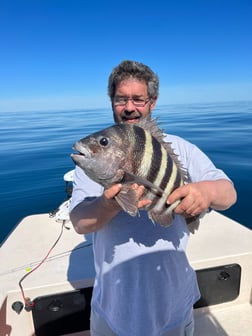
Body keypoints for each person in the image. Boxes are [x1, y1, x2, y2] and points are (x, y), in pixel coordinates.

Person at [69, 60, 237, 336]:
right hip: (112, 309)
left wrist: (205, 193)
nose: (129, 107)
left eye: (138, 99)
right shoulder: (95, 162)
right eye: (121, 99)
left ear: (152, 102)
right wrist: (107, 205)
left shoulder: (181, 148)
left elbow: (228, 193)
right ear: (112, 102)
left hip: (173, 305)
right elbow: (79, 222)